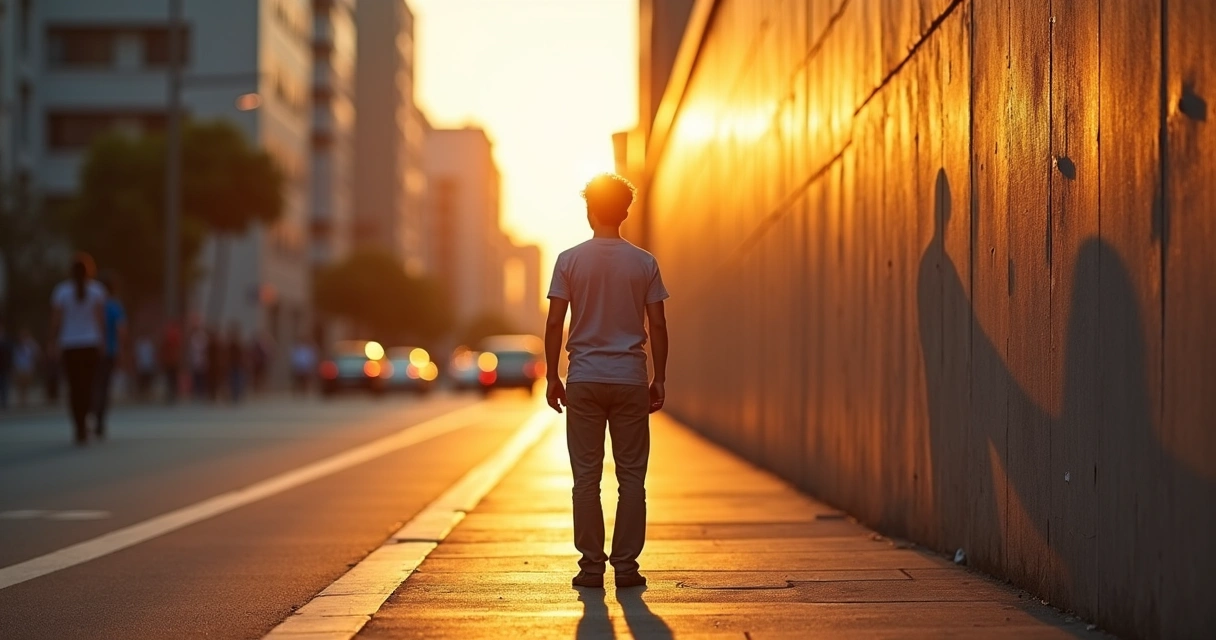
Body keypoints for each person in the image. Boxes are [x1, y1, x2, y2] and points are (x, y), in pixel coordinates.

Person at [544, 173, 669, 590]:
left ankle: (591, 568)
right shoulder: (644, 262)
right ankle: (627, 568)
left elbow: (555, 322)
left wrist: (552, 376)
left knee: (586, 478)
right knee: (632, 477)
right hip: (630, 378)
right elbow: (659, 324)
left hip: (583, 378)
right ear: (626, 211)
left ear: (589, 210)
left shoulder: (569, 260)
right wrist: (659, 378)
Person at [49, 253, 107, 445]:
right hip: (90, 344)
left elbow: (56, 320)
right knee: (88, 385)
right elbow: (100, 320)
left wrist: (52, 341)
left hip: (70, 345)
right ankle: (86, 418)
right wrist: (102, 341)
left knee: (74, 387)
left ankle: (79, 425)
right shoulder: (97, 291)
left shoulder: (62, 291)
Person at [95, 273, 127, 437]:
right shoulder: (115, 306)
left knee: (94, 384)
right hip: (109, 351)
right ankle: (99, 421)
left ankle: (92, 413)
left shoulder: (93, 304)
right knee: (104, 386)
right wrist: (121, 351)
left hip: (92, 350)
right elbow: (120, 330)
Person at [12, 329, 41, 407]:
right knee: (20, 386)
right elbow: (15, 358)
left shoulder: (30, 345)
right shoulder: (17, 346)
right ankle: (21, 401)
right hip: (19, 368)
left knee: (26, 385)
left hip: (28, 368)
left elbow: (37, 353)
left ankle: (25, 401)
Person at [160, 321, 183, 403]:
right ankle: (171, 394)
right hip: (171, 362)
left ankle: (172, 394)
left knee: (171, 379)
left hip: (172, 362)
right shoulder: (170, 340)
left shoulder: (173, 339)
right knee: (171, 379)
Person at [226, 324, 246, 403]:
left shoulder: (237, 344)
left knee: (237, 381)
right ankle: (235, 396)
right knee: (234, 381)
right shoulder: (233, 344)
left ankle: (236, 396)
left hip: (237, 365)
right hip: (234, 365)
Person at [134, 335, 157, 400]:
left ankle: (147, 394)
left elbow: (153, 354)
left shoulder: (149, 344)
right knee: (141, 381)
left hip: (149, 365)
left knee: (148, 380)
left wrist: (153, 364)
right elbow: (137, 355)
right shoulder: (139, 344)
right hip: (141, 366)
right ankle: (141, 395)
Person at [0, 320, 11, 410]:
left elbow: (9, 354)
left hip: (4, 367)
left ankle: (4, 403)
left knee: (4, 385)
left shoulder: (6, 341)